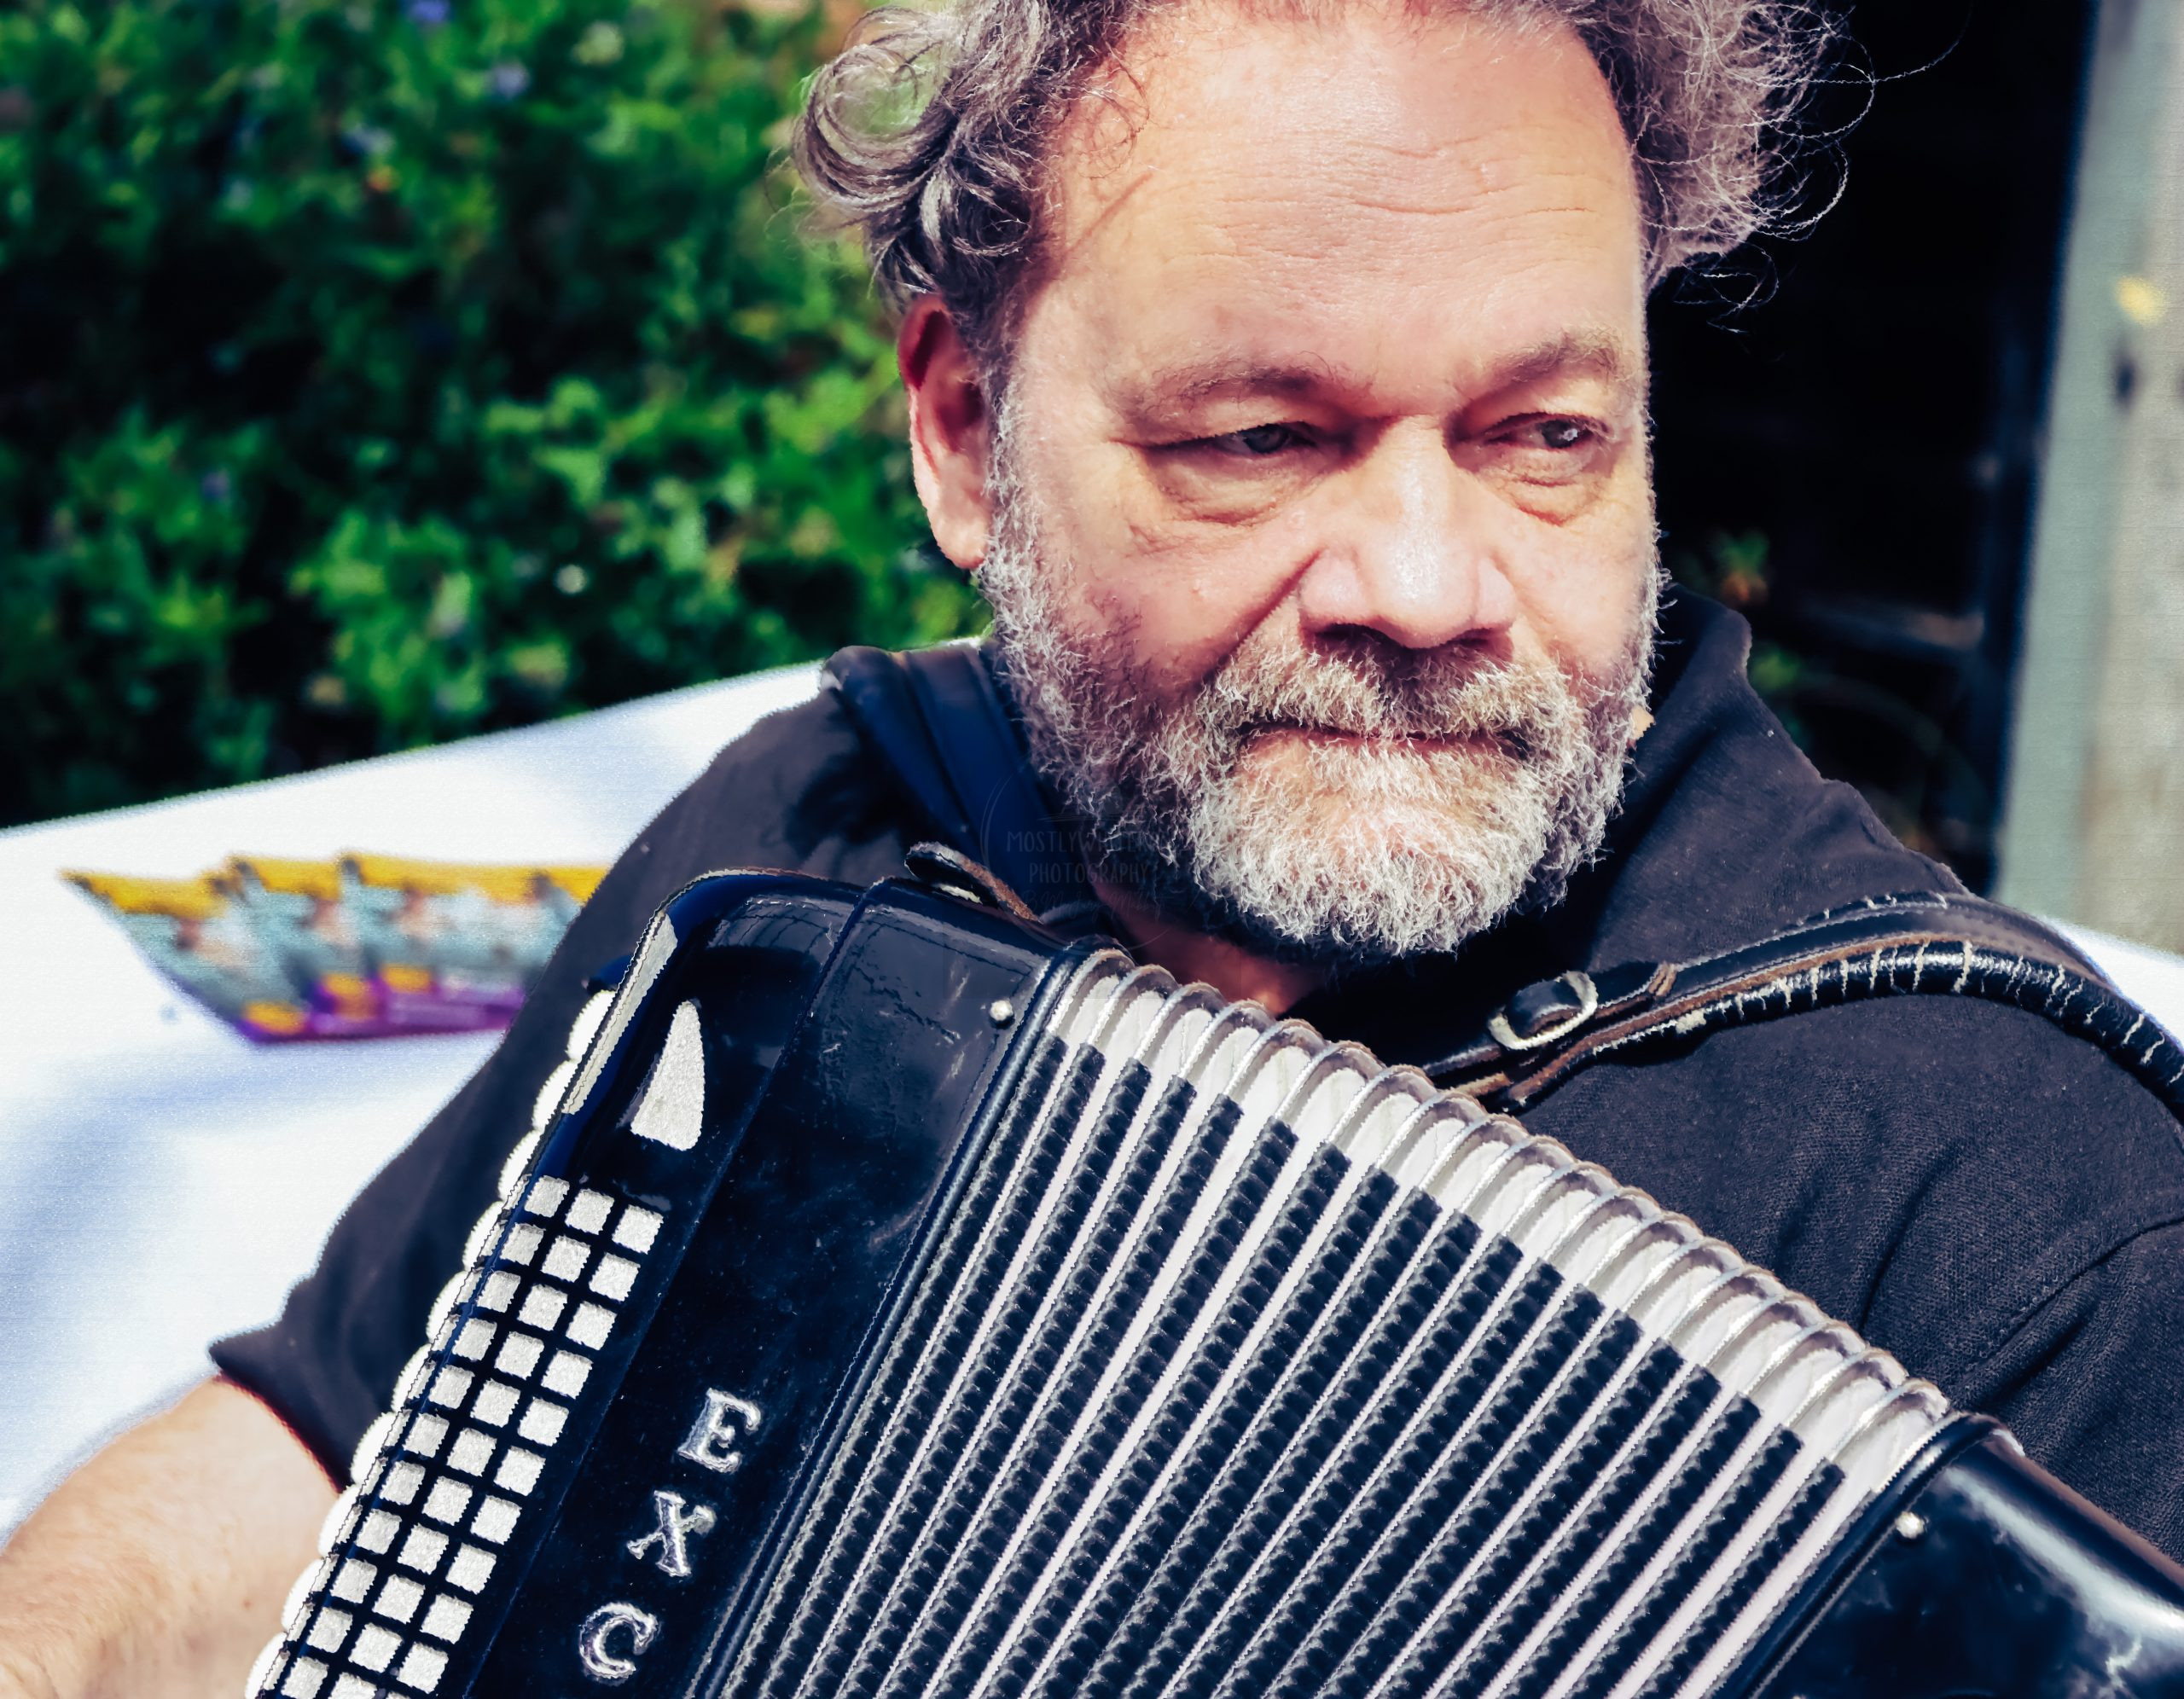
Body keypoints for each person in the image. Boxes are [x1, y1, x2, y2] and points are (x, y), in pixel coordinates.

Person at [6, 1, 2182, 1692]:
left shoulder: (2021, 1201)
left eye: (1542, 438)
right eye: (1264, 438)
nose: (1426, 583)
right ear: (962, 429)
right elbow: (340, 1445)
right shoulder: (818, 853)